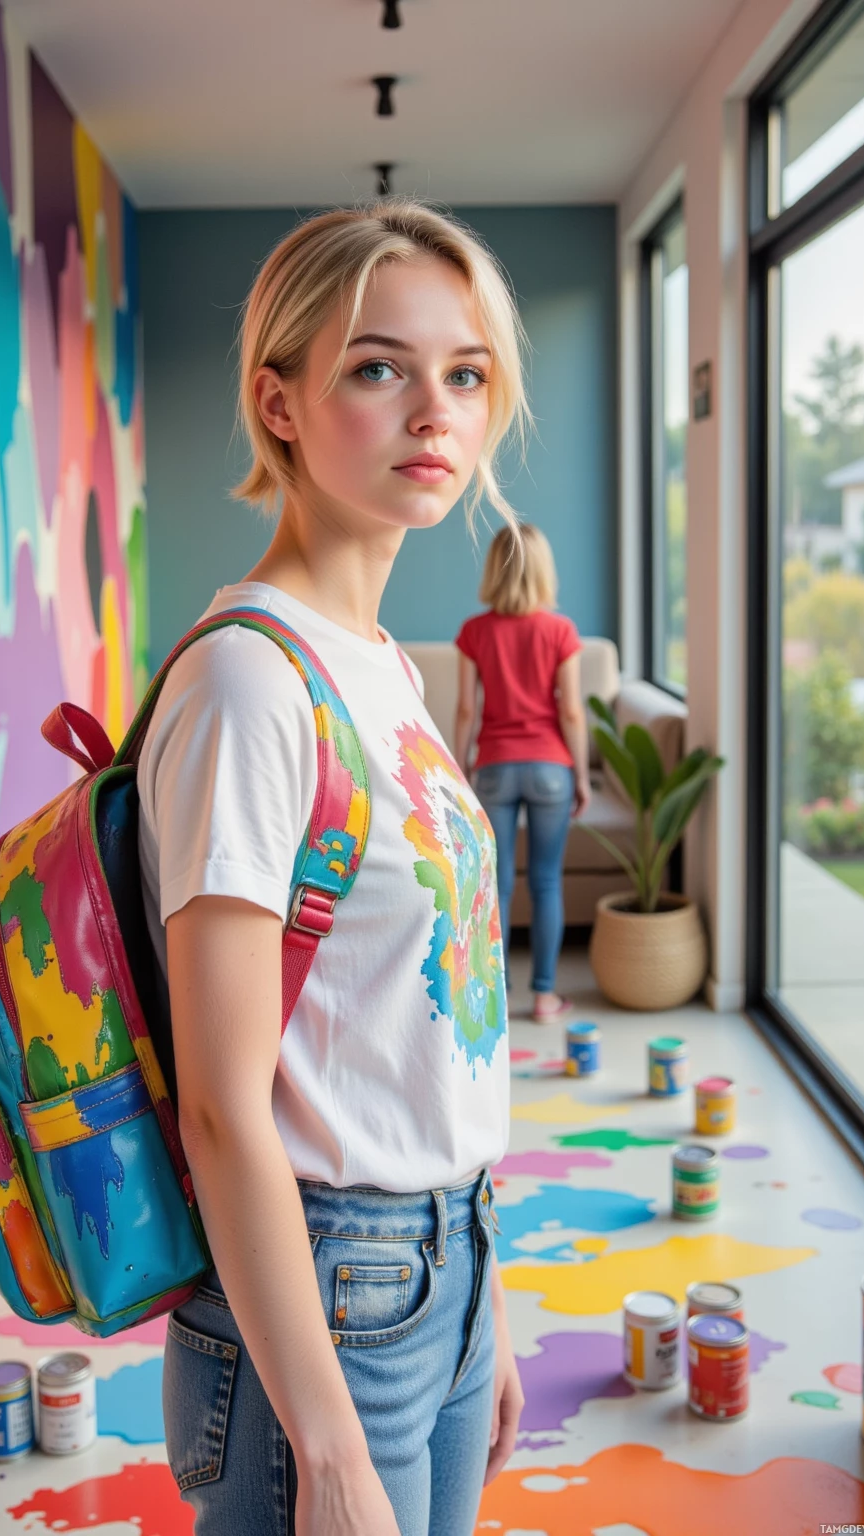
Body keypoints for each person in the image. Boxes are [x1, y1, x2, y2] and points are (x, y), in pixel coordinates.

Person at [137, 200, 529, 1536]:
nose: (435, 408)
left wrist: (484, 1303)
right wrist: (330, 1449)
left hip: (442, 1264)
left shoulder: (385, 664)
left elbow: (406, 1031)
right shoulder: (253, 680)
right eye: (378, 366)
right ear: (280, 401)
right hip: (328, 1299)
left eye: (463, 373)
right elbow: (221, 1109)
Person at [454, 525, 592, 1024]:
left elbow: (467, 710)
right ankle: (546, 997)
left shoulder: (474, 632)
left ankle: (499, 995)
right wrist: (579, 775)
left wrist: (459, 767)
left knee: (497, 885)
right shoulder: (561, 632)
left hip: (493, 768)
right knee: (546, 881)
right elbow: (572, 712)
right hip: (550, 767)